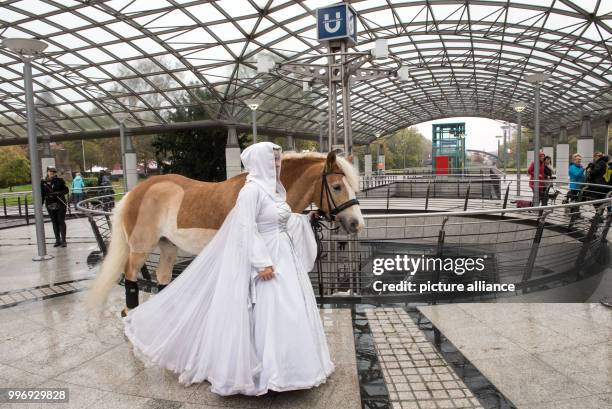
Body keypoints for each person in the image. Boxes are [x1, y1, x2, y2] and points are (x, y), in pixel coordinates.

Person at [121, 141, 335, 396]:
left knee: (284, 310)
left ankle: (287, 368)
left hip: (282, 256)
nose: (278, 164)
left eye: (278, 160)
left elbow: (277, 219)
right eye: (273, 160)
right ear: (258, 163)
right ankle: (261, 370)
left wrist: (304, 219)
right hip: (266, 260)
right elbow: (245, 228)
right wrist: (261, 262)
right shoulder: (251, 191)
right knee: (266, 310)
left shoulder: (275, 192)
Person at [41, 166, 69, 247]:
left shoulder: (60, 180)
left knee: (61, 221)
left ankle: (63, 240)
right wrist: (41, 205)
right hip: (50, 204)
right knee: (54, 222)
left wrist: (58, 193)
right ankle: (57, 240)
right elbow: (42, 195)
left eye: (53, 172)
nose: (52, 173)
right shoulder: (43, 182)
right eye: (50, 172)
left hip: (60, 203)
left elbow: (66, 190)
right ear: (47, 172)